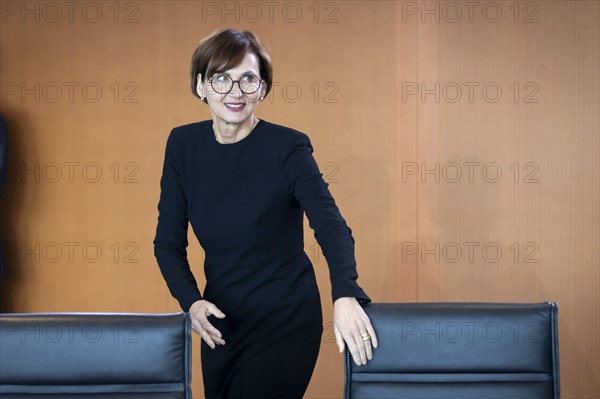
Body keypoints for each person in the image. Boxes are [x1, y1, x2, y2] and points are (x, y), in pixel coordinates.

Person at [153, 28, 378, 399]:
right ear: (200, 86)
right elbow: (167, 244)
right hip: (222, 322)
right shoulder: (183, 145)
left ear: (263, 89)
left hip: (285, 318)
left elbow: (331, 227)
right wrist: (191, 302)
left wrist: (345, 294)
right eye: (221, 78)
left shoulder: (288, 148)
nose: (235, 92)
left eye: (248, 79)